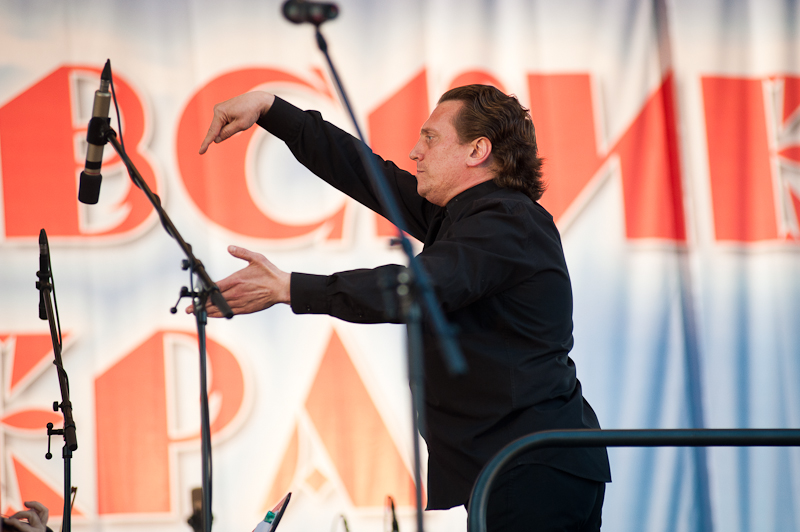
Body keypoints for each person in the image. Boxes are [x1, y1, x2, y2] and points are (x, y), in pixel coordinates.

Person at [192, 85, 611, 531]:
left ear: (477, 151)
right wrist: (270, 109)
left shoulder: (507, 221)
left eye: (430, 138)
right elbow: (365, 173)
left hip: (533, 467)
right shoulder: (469, 216)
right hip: (527, 465)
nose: (415, 152)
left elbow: (416, 288)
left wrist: (290, 288)